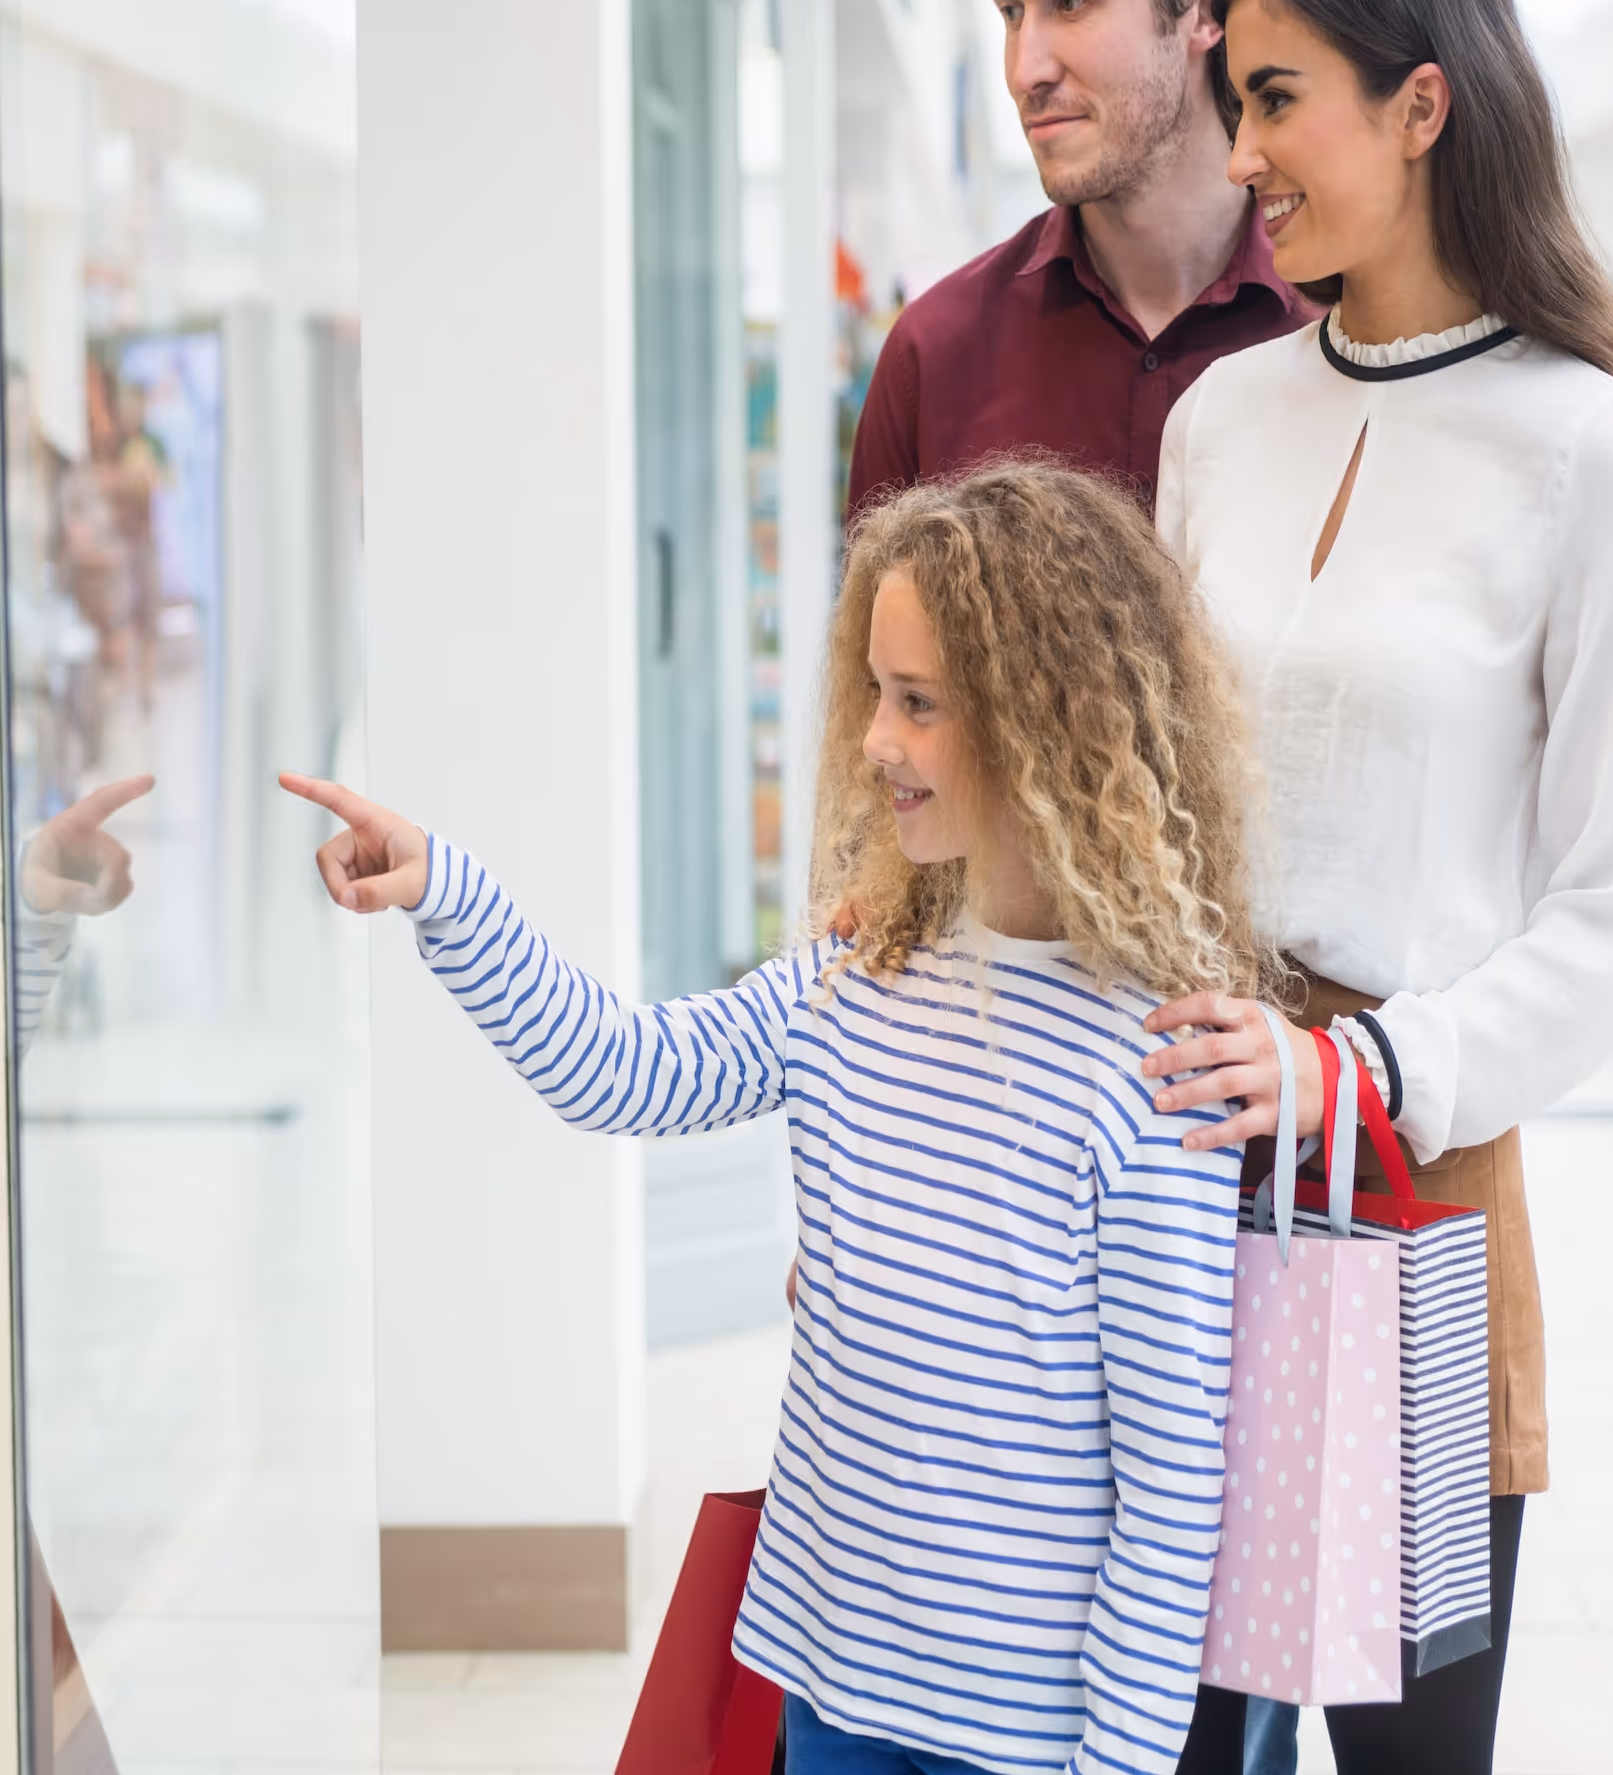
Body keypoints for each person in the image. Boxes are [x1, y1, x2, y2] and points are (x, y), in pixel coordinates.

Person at [290, 462, 1276, 1775]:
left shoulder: (1157, 1068)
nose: (874, 741)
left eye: (919, 705)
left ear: (1049, 731)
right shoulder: (851, 980)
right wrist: (448, 894)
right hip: (829, 1681)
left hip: (1026, 1739)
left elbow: (1169, 1499)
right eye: (877, 692)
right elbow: (625, 1070)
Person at [1145, 0, 1613, 1775]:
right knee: (1178, 1752)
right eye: (1235, 107)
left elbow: (1609, 917)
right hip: (1169, 1191)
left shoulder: (1589, 453)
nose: (1246, 156)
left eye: (1278, 97)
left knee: (1401, 1752)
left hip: (1411, 1205)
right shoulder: (1215, 423)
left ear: (1424, 99)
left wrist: (1362, 1072)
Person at [845, 0, 1316, 525]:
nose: (1025, 69)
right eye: (1009, 10)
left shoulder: (1342, 335)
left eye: (1069, 2)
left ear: (1204, 11)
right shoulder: (931, 363)